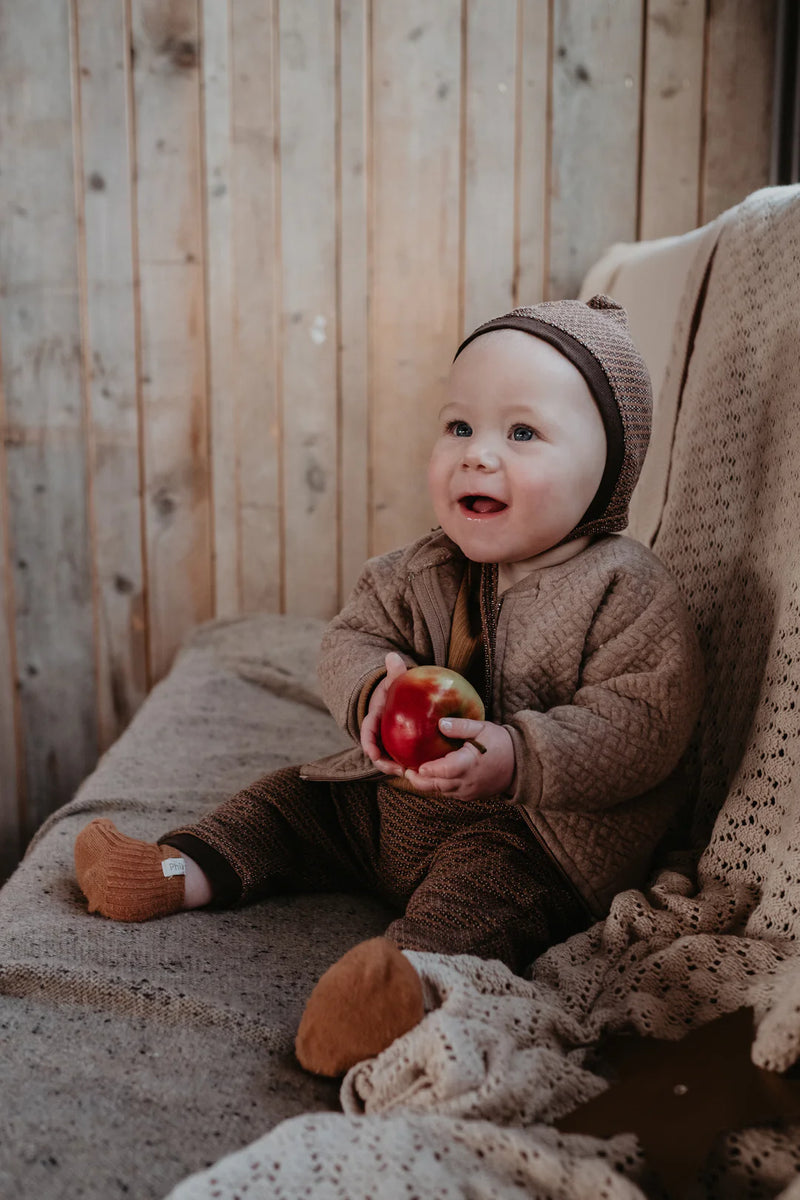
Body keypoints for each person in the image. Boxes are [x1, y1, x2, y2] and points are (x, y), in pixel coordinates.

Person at [74, 296, 705, 1077]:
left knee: (478, 912)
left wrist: (517, 755)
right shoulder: (425, 567)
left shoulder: (628, 592)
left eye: (523, 433)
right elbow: (351, 636)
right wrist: (373, 691)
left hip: (525, 836)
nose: (478, 455)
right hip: (391, 799)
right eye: (459, 427)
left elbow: (641, 724)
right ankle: (176, 872)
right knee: (291, 800)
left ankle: (394, 993)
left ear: (609, 466)